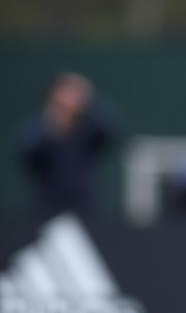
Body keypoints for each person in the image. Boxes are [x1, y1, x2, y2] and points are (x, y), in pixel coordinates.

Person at [16, 72, 119, 222]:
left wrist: (87, 101)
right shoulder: (40, 129)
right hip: (47, 208)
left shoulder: (88, 130)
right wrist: (51, 122)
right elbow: (26, 151)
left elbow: (110, 128)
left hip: (84, 208)